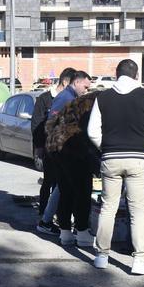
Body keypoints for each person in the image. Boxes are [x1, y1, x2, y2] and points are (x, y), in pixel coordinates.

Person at [86, 59, 144, 273]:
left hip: (110, 157)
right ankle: (139, 260)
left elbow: (92, 131)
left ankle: (101, 255)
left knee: (108, 206)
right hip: (139, 158)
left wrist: (106, 147)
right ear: (136, 75)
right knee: (138, 209)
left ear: (116, 73)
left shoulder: (103, 97)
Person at [47, 87, 99, 246]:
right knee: (82, 191)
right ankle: (82, 231)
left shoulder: (80, 102)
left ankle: (65, 232)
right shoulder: (95, 106)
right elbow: (91, 132)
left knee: (66, 190)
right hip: (74, 149)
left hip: (57, 146)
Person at [33, 76, 67, 235]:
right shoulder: (44, 99)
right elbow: (37, 124)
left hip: (63, 151)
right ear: (66, 82)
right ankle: (44, 214)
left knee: (60, 184)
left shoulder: (69, 98)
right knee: (48, 181)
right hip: (49, 148)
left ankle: (57, 214)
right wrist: (38, 146)